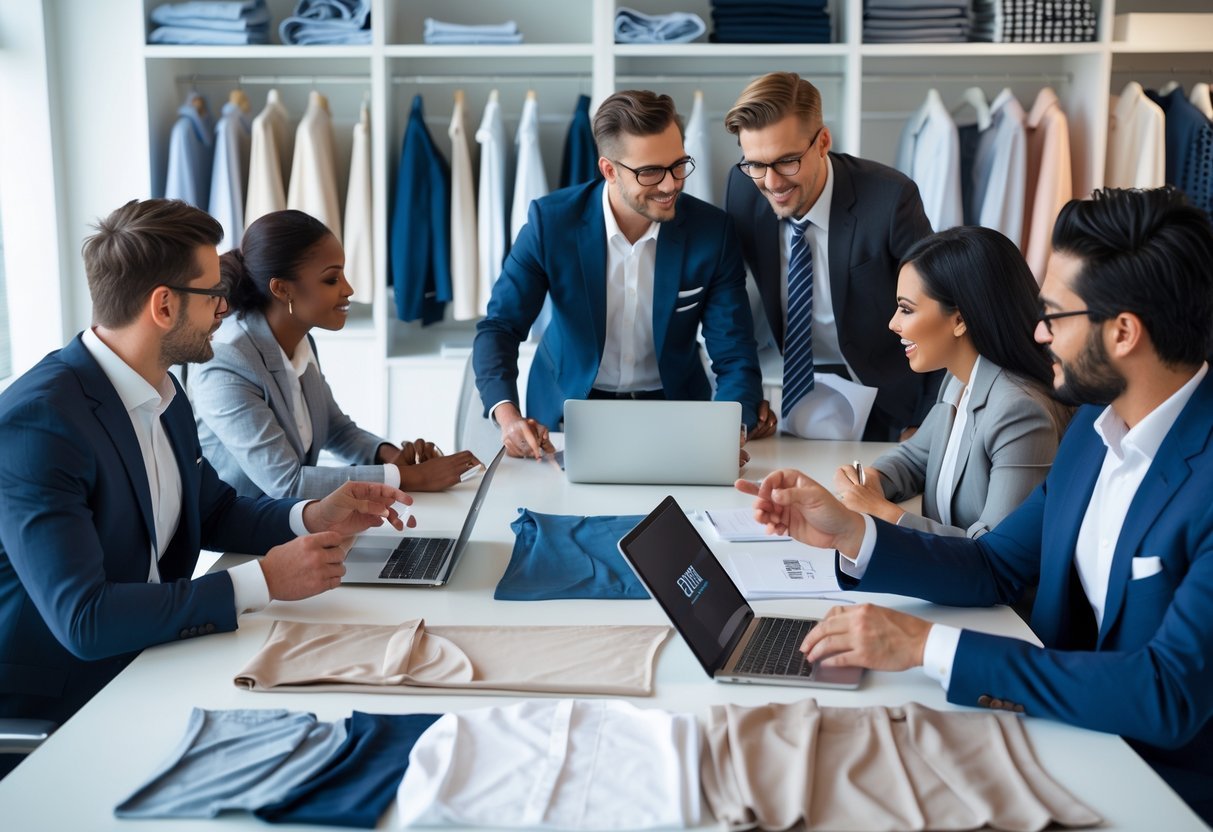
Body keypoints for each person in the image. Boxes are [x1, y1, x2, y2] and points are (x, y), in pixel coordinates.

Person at [739, 187, 1213, 822]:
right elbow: (995, 564)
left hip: (1160, 787)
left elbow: (1167, 693)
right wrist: (852, 532)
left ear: (1123, 332)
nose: (1039, 332)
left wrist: (927, 645)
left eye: (1057, 316)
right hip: (1060, 731)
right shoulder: (1096, 435)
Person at [0, 199, 410, 754]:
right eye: (214, 293)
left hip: (160, 655)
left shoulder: (163, 392)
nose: (227, 306)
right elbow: (85, 618)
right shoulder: (39, 422)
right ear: (164, 306)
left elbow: (212, 509)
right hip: (72, 706)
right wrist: (263, 581)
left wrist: (315, 514)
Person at [473, 89, 764, 459]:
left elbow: (734, 351)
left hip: (676, 412)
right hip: (566, 414)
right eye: (650, 172)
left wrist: (728, 428)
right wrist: (508, 416)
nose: (671, 184)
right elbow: (500, 326)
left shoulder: (712, 232)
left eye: (678, 164)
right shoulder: (551, 223)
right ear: (609, 170)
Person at [191, 210, 481, 499]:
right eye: (332, 279)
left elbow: (335, 429)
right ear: (282, 289)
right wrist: (409, 477)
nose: (348, 289)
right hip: (243, 539)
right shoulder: (226, 362)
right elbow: (287, 483)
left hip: (297, 526)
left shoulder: (302, 342)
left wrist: (391, 456)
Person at [724, 71, 937, 441]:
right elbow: (728, 301)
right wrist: (744, 401)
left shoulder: (890, 199)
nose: (772, 183)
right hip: (792, 386)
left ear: (823, 141)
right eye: (756, 164)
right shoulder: (743, 189)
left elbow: (940, 307)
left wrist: (926, 421)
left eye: (787, 161)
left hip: (888, 396)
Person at [835, 226, 1069, 538]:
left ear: (959, 320)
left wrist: (883, 512)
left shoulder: (1020, 412)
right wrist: (874, 479)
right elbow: (917, 456)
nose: (893, 323)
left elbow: (996, 552)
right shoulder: (961, 379)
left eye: (906, 309)